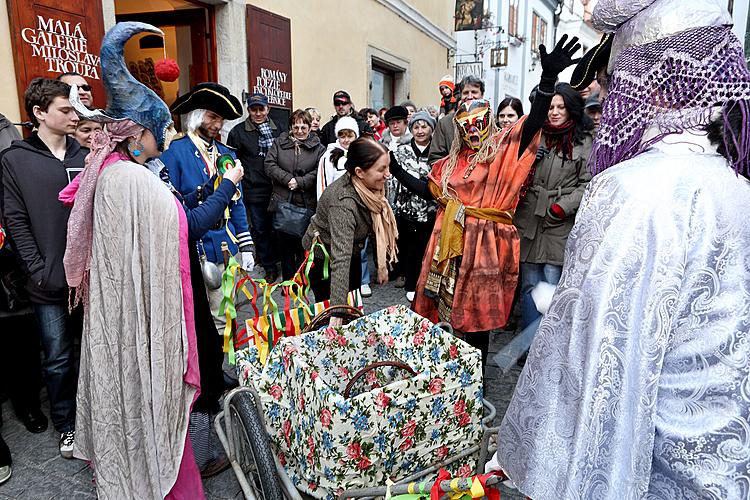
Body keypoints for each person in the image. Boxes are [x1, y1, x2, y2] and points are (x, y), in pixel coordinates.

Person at [492, 1, 750, 498]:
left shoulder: (630, 189)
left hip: (652, 468)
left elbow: (598, 362)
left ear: (647, 82)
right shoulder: (738, 185)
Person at [59, 21, 245, 498]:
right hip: (152, 305)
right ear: (138, 133)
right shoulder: (136, 179)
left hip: (141, 298)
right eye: (157, 129)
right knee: (165, 396)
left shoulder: (117, 171)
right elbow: (184, 224)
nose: (163, 137)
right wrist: (225, 188)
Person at [389, 36, 582, 362]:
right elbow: (430, 192)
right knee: (443, 310)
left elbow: (532, 122)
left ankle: (475, 379)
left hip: (486, 244)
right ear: (458, 130)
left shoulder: (502, 151)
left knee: (477, 316)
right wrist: (395, 170)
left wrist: (548, 81)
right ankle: (448, 375)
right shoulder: (450, 162)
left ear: (489, 122)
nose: (475, 131)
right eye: (467, 127)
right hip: (447, 243)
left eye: (480, 124)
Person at [160, 81, 254, 477]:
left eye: (221, 118)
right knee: (205, 320)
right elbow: (182, 211)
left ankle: (221, 365)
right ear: (196, 117)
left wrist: (247, 245)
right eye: (213, 117)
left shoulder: (230, 154)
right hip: (199, 252)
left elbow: (237, 205)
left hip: (228, 249)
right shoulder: (175, 154)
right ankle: (209, 375)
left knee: (229, 316)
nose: (218, 125)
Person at [0, 77, 86, 459]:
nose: (74, 115)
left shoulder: (84, 154)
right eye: (65, 110)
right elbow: (15, 221)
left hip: (89, 279)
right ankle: (67, 425)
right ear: (39, 113)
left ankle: (95, 419)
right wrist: (38, 270)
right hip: (47, 281)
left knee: (93, 352)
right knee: (57, 357)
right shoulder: (15, 160)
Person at [514, 83, 593, 330]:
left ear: (571, 109)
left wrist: (563, 207)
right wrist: (526, 161)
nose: (555, 112)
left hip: (559, 222)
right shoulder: (535, 136)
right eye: (550, 107)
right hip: (529, 219)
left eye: (561, 107)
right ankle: (526, 347)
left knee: (551, 286)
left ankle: (545, 347)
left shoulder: (584, 140)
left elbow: (588, 183)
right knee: (528, 284)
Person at [303, 137, 397, 326]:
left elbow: (376, 227)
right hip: (324, 260)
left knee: (353, 304)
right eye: (381, 169)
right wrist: (336, 311)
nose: (388, 174)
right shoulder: (343, 203)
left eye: (388, 166)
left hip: (352, 250)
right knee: (329, 317)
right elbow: (341, 258)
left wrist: (382, 264)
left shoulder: (371, 187)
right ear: (359, 172)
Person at [315, 116, 372, 297]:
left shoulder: (361, 156)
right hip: (336, 212)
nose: (346, 139)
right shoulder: (329, 157)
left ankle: (361, 282)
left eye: (350, 135)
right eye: (342, 135)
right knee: (339, 252)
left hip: (357, 213)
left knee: (358, 250)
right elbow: (323, 187)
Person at [228, 92, 282, 282]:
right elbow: (233, 162)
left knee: (280, 228)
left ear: (268, 109)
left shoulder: (278, 129)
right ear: (248, 110)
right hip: (254, 189)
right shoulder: (238, 132)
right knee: (260, 229)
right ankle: (269, 266)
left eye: (261, 109)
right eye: (253, 109)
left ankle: (281, 261)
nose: (258, 113)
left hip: (278, 188)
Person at [265, 109, 325, 279]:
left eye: (303, 127)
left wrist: (301, 182)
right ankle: (288, 282)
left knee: (304, 246)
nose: (299, 131)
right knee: (284, 247)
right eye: (295, 127)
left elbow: (318, 171)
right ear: (291, 127)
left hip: (306, 202)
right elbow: (269, 165)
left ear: (309, 127)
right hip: (283, 201)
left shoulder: (319, 148)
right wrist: (288, 179)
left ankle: (303, 280)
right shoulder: (279, 143)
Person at [389, 110, 437, 302]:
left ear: (431, 129)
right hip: (406, 209)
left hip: (429, 211)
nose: (420, 130)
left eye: (424, 126)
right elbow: (393, 179)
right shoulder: (401, 151)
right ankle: (409, 283)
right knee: (408, 248)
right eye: (416, 127)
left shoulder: (437, 152)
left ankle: (423, 284)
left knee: (424, 249)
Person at [428, 75, 485, 165]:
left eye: (474, 92)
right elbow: (435, 158)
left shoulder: (491, 121)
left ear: (482, 95)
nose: (470, 96)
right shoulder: (445, 123)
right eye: (466, 93)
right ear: (460, 95)